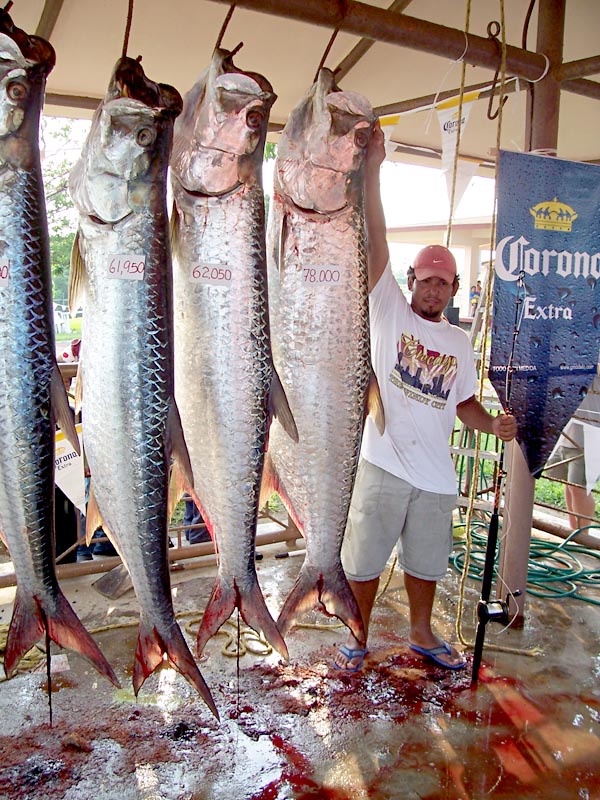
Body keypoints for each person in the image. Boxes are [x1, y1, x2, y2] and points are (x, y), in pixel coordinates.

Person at [334, 123, 517, 673]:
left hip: (437, 476)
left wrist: (492, 425)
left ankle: (420, 632)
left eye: (444, 282)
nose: (433, 289)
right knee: (362, 562)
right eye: (426, 279)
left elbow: (462, 403)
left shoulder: (460, 342)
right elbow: (374, 236)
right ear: (411, 280)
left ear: (455, 289)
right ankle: (358, 635)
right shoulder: (387, 308)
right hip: (383, 462)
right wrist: (373, 169)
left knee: (427, 564)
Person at [545, 372, 600, 530]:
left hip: (591, 427)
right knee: (568, 483)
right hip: (568, 427)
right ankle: (573, 531)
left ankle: (582, 536)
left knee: (579, 486)